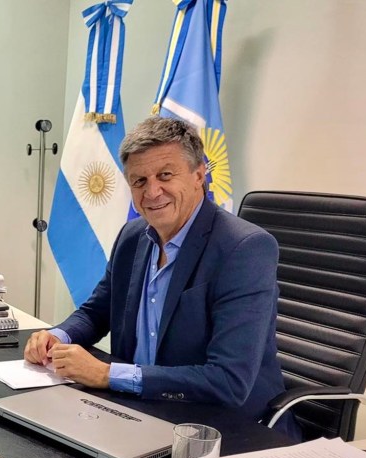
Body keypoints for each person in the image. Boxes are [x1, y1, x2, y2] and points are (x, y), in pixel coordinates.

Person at [25, 116, 300, 439]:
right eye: (139, 181)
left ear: (199, 174)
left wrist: (107, 375)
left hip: (222, 428)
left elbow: (228, 381)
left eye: (165, 175)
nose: (152, 191)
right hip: (140, 413)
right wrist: (58, 336)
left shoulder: (244, 248)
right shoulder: (132, 236)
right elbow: (96, 312)